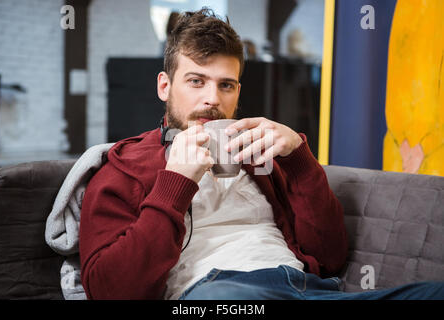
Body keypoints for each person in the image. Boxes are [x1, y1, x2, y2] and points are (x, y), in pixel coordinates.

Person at [79, 8, 443, 300]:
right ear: (164, 86)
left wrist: (299, 158)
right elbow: (111, 290)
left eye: (226, 85)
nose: (212, 99)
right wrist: (175, 183)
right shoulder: (124, 167)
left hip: (304, 288)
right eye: (196, 81)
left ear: (238, 92)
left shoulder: (260, 156)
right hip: (218, 294)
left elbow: (330, 258)